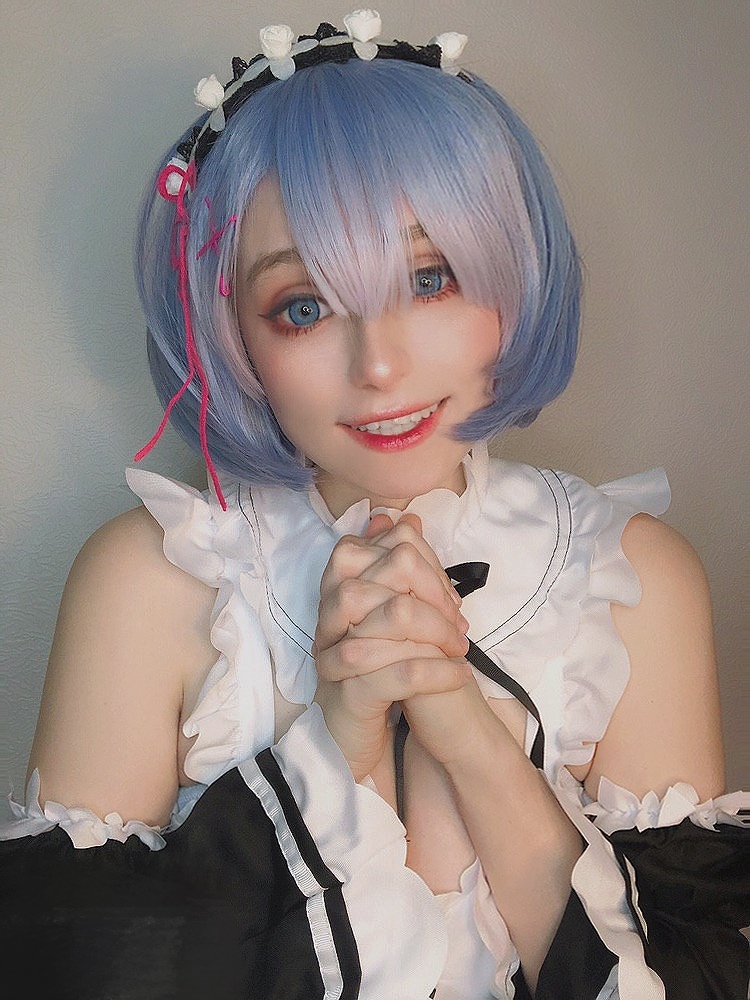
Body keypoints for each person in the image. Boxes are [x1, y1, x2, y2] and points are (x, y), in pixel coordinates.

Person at [1, 12, 748, 999]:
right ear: (233, 335)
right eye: (303, 306)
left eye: (429, 279)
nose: (380, 365)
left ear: (514, 274)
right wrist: (339, 736)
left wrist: (463, 726)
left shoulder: (633, 579)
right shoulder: (149, 581)